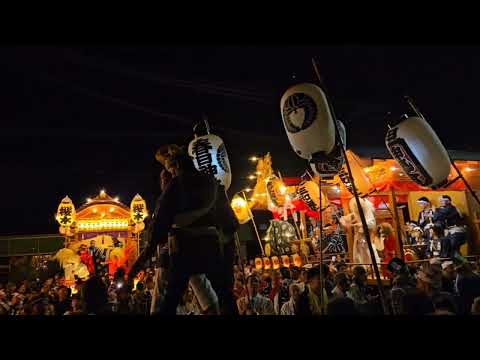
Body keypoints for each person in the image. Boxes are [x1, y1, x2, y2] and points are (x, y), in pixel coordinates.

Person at [130, 144, 223, 315]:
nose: (169, 176)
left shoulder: (176, 185)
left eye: (170, 171)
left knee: (169, 297)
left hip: (183, 248)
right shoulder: (210, 181)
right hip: (213, 248)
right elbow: (225, 219)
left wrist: (136, 267)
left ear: (176, 166)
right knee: (212, 293)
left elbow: (157, 231)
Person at [433, 195, 467, 259]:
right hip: (451, 231)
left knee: (453, 250)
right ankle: (453, 264)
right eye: (440, 201)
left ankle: (465, 264)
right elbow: (436, 218)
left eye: (442, 201)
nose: (440, 202)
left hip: (457, 231)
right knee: (445, 244)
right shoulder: (443, 209)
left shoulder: (452, 208)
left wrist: (436, 210)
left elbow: (442, 215)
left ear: (448, 201)